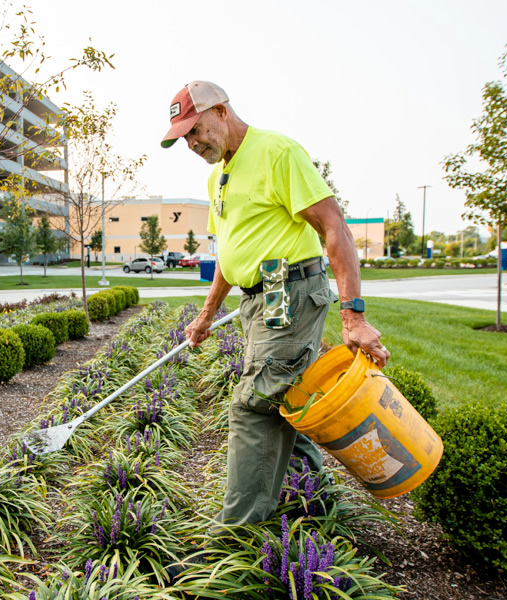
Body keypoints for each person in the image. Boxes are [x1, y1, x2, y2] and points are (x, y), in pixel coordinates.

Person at [161, 81, 390, 532]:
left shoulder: (277, 152)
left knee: (254, 405)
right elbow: (229, 253)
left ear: (221, 111)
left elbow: (334, 227)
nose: (192, 144)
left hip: (289, 292)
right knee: (283, 398)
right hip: (258, 301)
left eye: (195, 130)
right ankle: (315, 502)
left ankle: (236, 532)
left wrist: (353, 315)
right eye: (184, 138)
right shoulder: (217, 176)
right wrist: (207, 314)